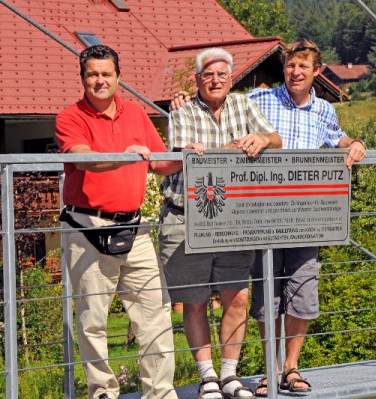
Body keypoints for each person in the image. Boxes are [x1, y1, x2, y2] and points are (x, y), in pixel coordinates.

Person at [170, 39, 366, 396]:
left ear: (316, 71)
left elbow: (338, 138)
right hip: (260, 213)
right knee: (265, 293)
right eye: (291, 66)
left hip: (306, 214)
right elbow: (222, 96)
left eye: (303, 67)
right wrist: (186, 98)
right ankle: (269, 370)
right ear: (284, 68)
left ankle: (291, 367)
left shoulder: (325, 111)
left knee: (303, 291)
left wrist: (355, 143)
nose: (296, 72)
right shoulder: (258, 100)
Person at [55, 44, 184, 399]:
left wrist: (184, 156)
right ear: (82, 78)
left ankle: (160, 392)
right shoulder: (70, 117)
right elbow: (83, 160)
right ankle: (103, 392)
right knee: (93, 318)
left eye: (106, 74)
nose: (99, 80)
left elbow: (158, 163)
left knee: (155, 313)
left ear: (118, 77)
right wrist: (121, 156)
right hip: (88, 228)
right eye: (92, 74)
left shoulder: (136, 114)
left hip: (135, 227)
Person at [159, 47, 282, 399]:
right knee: (194, 300)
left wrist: (261, 139)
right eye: (208, 75)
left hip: (234, 217)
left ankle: (230, 375)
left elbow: (275, 139)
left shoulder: (244, 105)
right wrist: (233, 148)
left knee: (237, 297)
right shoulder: (183, 109)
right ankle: (207, 376)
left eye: (222, 75)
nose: (215, 80)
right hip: (187, 215)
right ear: (197, 80)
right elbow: (184, 153)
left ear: (231, 79)